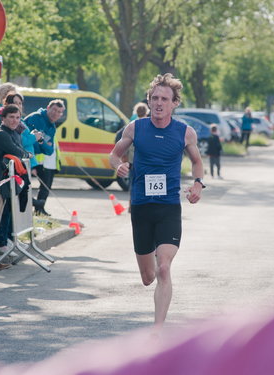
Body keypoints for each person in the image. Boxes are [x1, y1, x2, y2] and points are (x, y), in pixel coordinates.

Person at [109, 73, 204, 330]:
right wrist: (119, 166)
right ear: (149, 101)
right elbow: (114, 155)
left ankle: (157, 331)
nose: (159, 103)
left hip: (169, 208)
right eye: (155, 98)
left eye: (165, 98)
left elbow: (196, 162)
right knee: (148, 277)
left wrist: (198, 184)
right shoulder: (136, 128)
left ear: (174, 103)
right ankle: (149, 256)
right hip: (141, 207)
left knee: (163, 268)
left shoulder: (185, 132)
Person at [0, 105, 30, 269]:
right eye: (11, 117)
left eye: (17, 117)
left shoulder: (13, 133)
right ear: (3, 118)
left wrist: (23, 153)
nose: (15, 120)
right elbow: (19, 152)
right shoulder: (2, 134)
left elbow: (21, 151)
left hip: (5, 182)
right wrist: (23, 153)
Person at [24, 99, 65, 216]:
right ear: (48, 108)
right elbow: (29, 139)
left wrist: (41, 141)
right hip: (28, 157)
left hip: (45, 160)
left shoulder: (52, 127)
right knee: (24, 185)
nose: (55, 113)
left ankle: (39, 209)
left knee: (46, 185)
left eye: (59, 112)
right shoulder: (36, 118)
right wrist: (42, 143)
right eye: (54, 110)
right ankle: (31, 208)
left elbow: (49, 150)